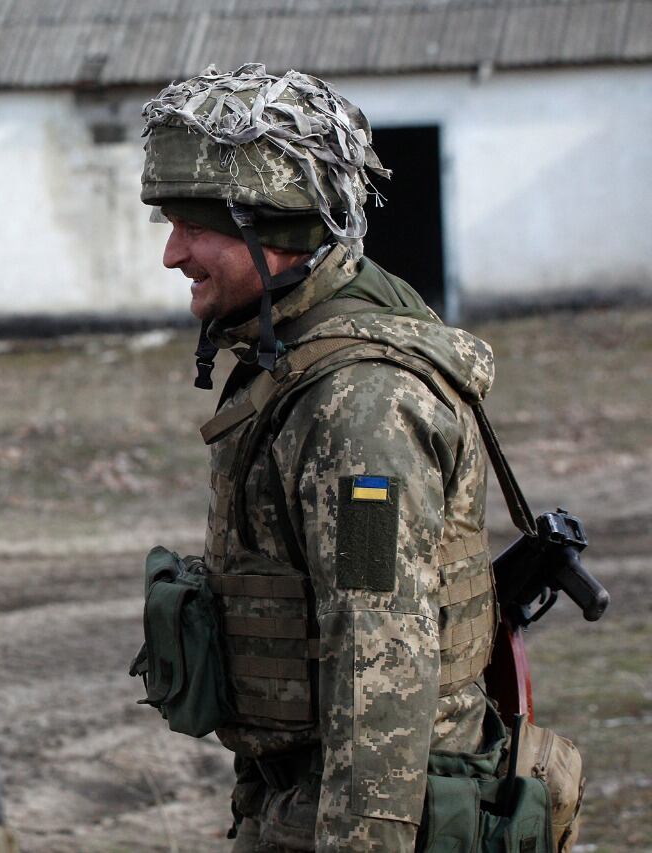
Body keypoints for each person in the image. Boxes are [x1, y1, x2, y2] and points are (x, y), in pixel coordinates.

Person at [138, 64, 500, 851]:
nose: (172, 254)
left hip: (361, 814)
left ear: (275, 227)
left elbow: (382, 666)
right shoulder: (295, 354)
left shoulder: (360, 408)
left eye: (193, 225)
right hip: (300, 796)